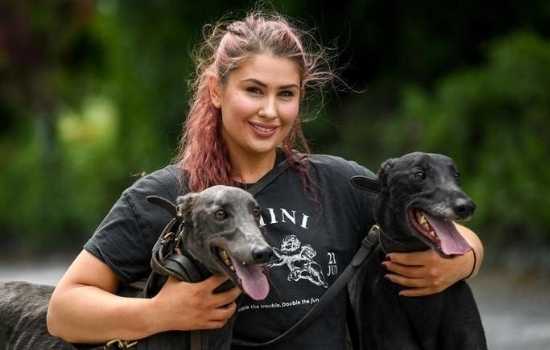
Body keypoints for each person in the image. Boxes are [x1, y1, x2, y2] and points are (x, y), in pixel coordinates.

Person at [47, 10, 484, 349]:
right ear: (217, 91)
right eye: (254, 90)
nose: (270, 111)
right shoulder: (167, 195)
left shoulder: (339, 182)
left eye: (286, 94)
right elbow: (64, 310)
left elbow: (459, 233)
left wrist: (462, 261)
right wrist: (162, 312)